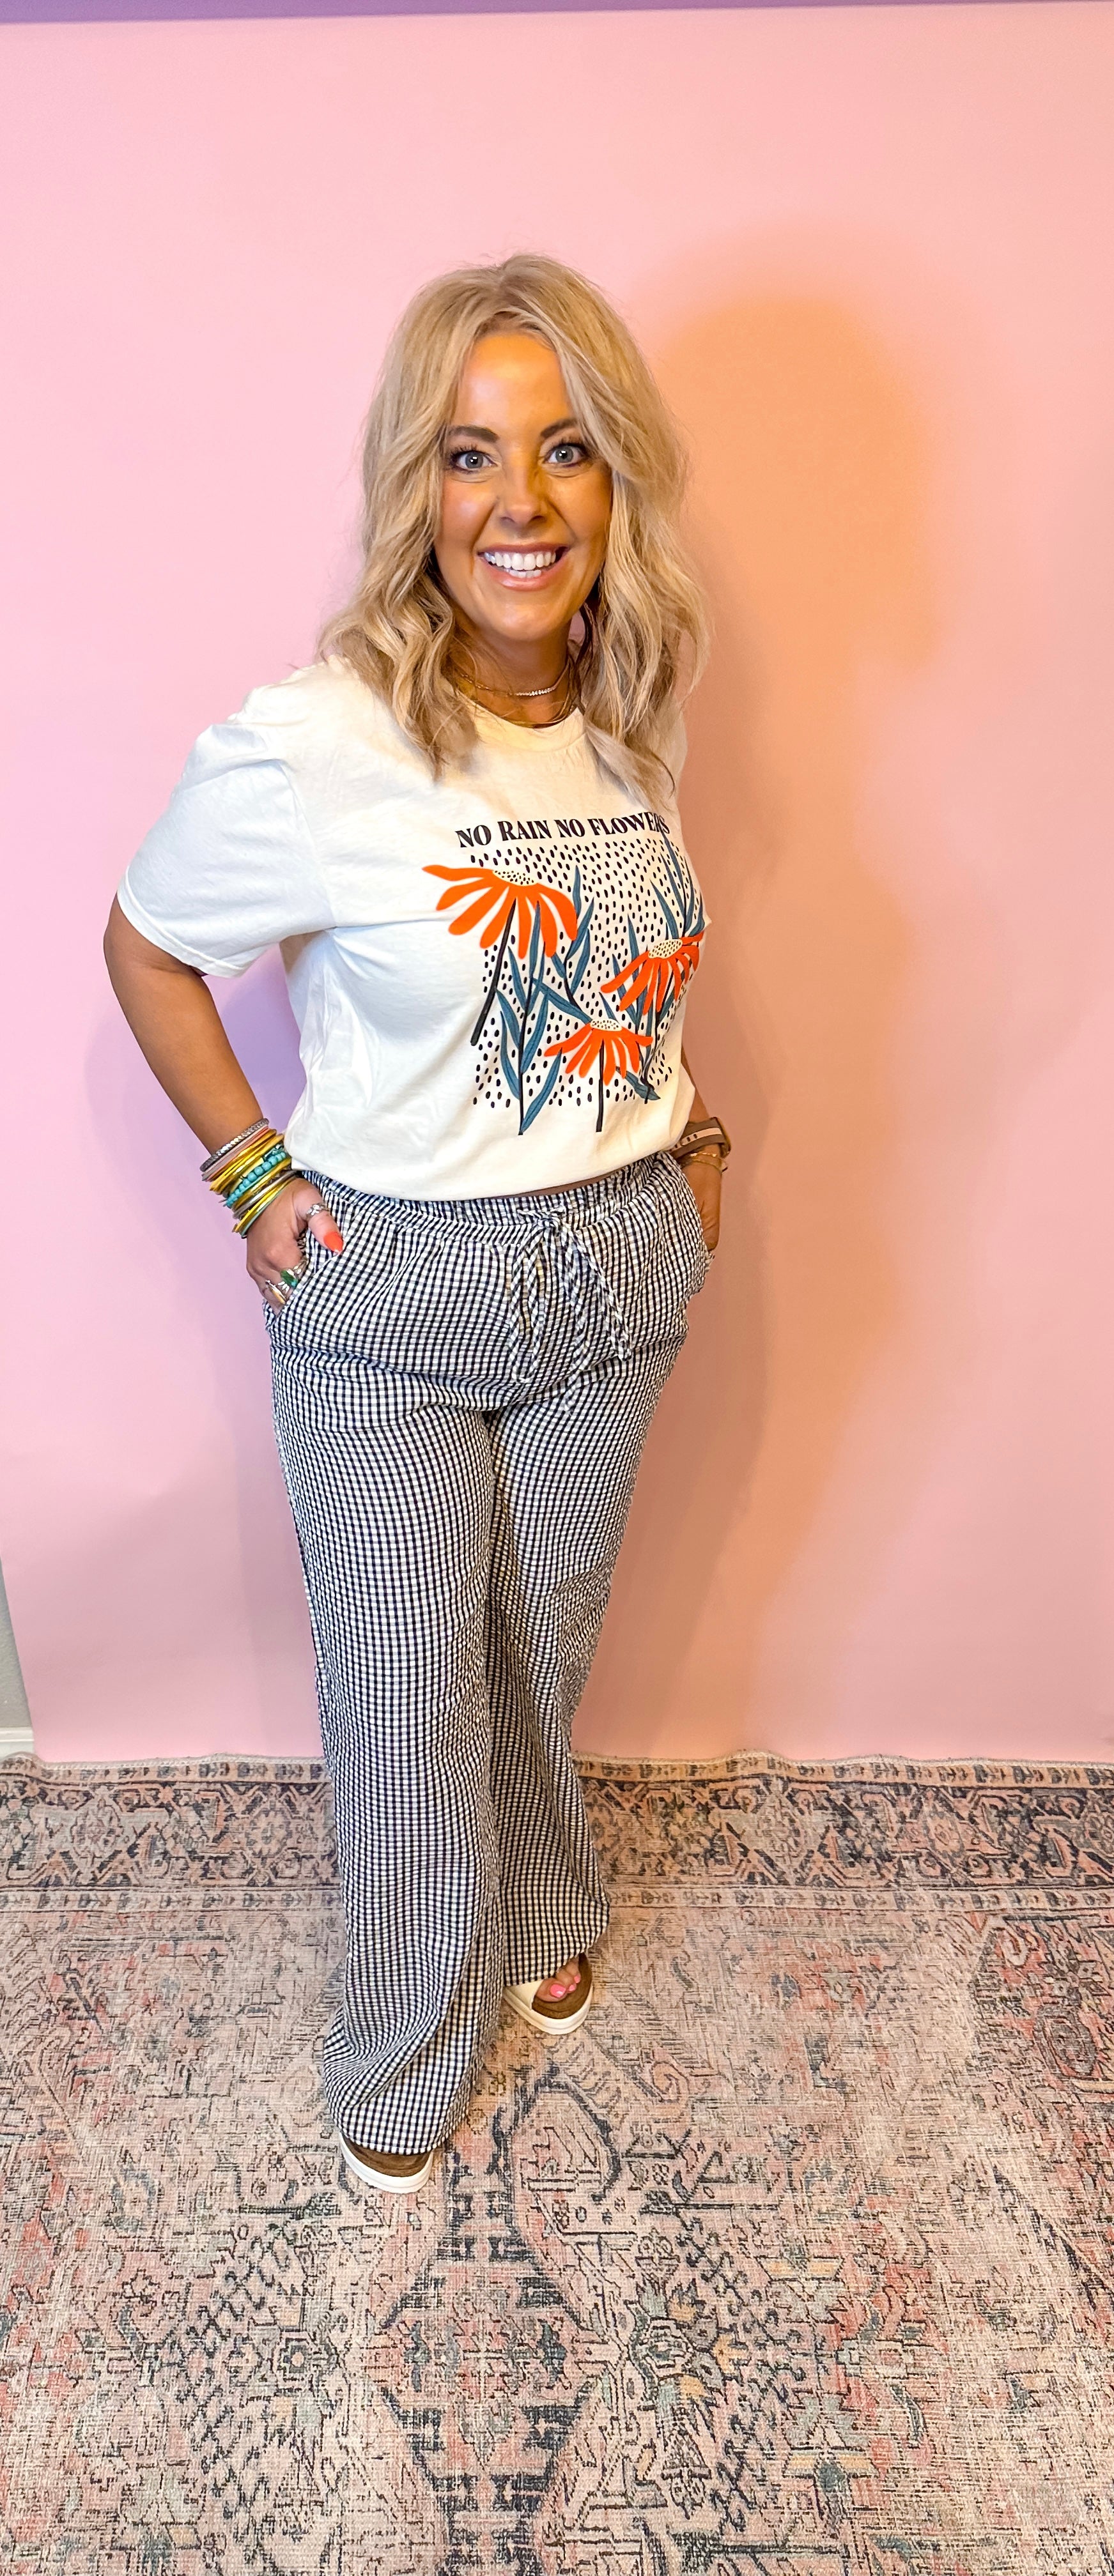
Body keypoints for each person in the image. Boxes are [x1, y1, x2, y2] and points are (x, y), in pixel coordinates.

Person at [104, 254, 730, 2195]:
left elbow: (619, 978)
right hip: (392, 1293)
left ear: (616, 484)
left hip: (612, 1270)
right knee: (404, 1702)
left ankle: (541, 1900)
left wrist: (697, 1153)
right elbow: (146, 947)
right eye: (470, 454)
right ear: (417, 486)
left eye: (565, 450)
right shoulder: (318, 741)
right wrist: (250, 1174)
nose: (519, 501)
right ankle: (401, 2047)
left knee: (537, 1653)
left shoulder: (627, 722)